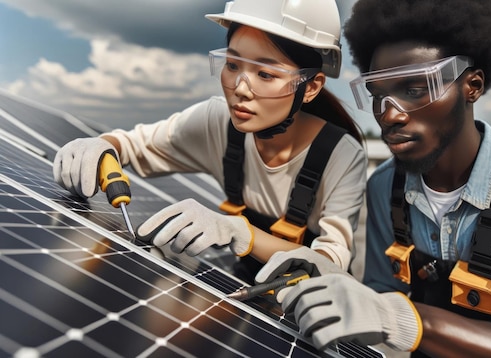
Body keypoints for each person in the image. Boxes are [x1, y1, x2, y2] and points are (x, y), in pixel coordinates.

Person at [254, 0, 491, 356]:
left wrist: (406, 320)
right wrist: (334, 281)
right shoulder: (386, 187)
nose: (390, 114)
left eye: (414, 90)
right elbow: (382, 297)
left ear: (472, 86)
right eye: (379, 95)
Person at [53, 0, 366, 284]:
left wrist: (241, 233)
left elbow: (331, 266)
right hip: (247, 286)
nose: (241, 88)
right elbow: (135, 145)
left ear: (310, 87)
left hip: (311, 304)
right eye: (232, 65)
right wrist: (102, 146)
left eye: (265, 74)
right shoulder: (216, 121)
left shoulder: (341, 155)